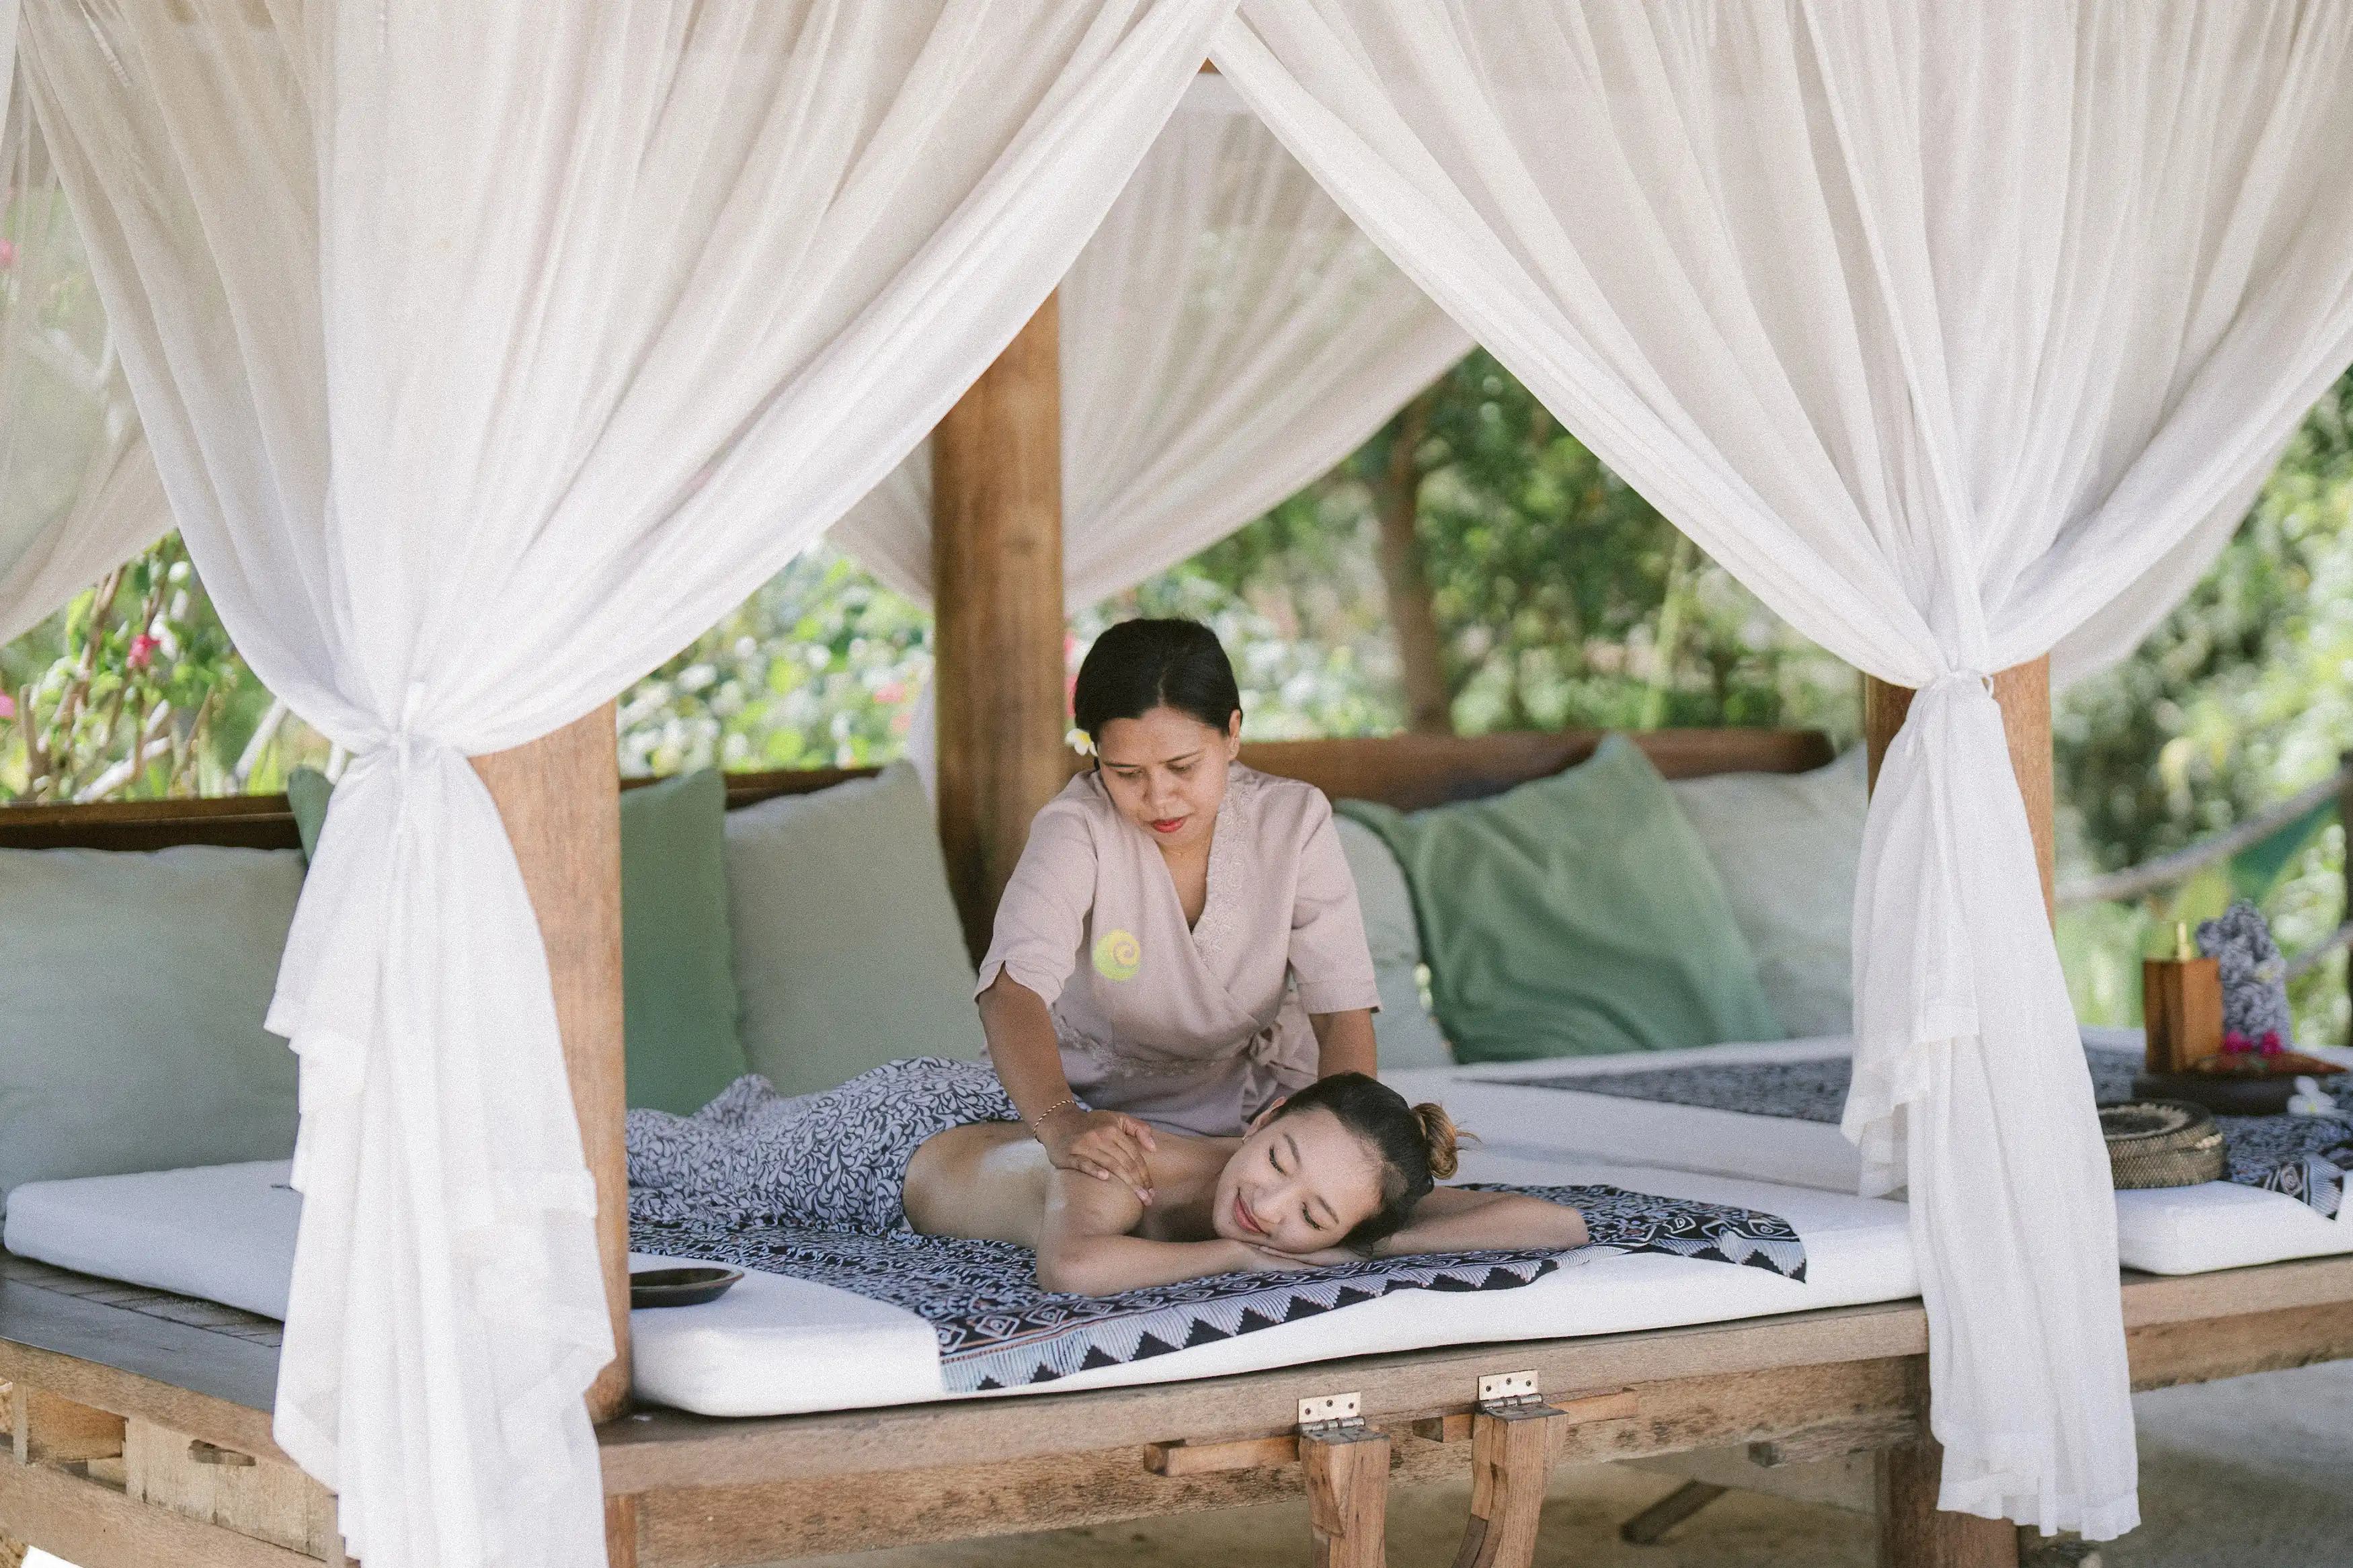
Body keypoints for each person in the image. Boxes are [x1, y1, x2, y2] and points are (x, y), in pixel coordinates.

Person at [976, 618, 1382, 1208]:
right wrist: (1061, 1122)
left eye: (1183, 766)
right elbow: (1010, 993)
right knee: (1088, 1205)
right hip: (1080, 1108)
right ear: (1094, 754)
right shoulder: (1077, 828)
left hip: (1249, 1108)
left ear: (1233, 734)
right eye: (1126, 773)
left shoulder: (1295, 821)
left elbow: (1340, 1011)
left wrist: (1341, 1152)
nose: (1160, 798)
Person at [625, 1061, 1591, 1297]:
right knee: (662, 1167)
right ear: (1261, 1119)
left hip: (981, 1121)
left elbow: (1555, 1225)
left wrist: (1361, 1234)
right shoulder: (1125, 1156)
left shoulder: (1323, 1206)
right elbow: (1074, 1267)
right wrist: (1241, 1253)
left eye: (1313, 1213)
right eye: (1278, 1159)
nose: (1269, 1201)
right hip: (886, 1142)